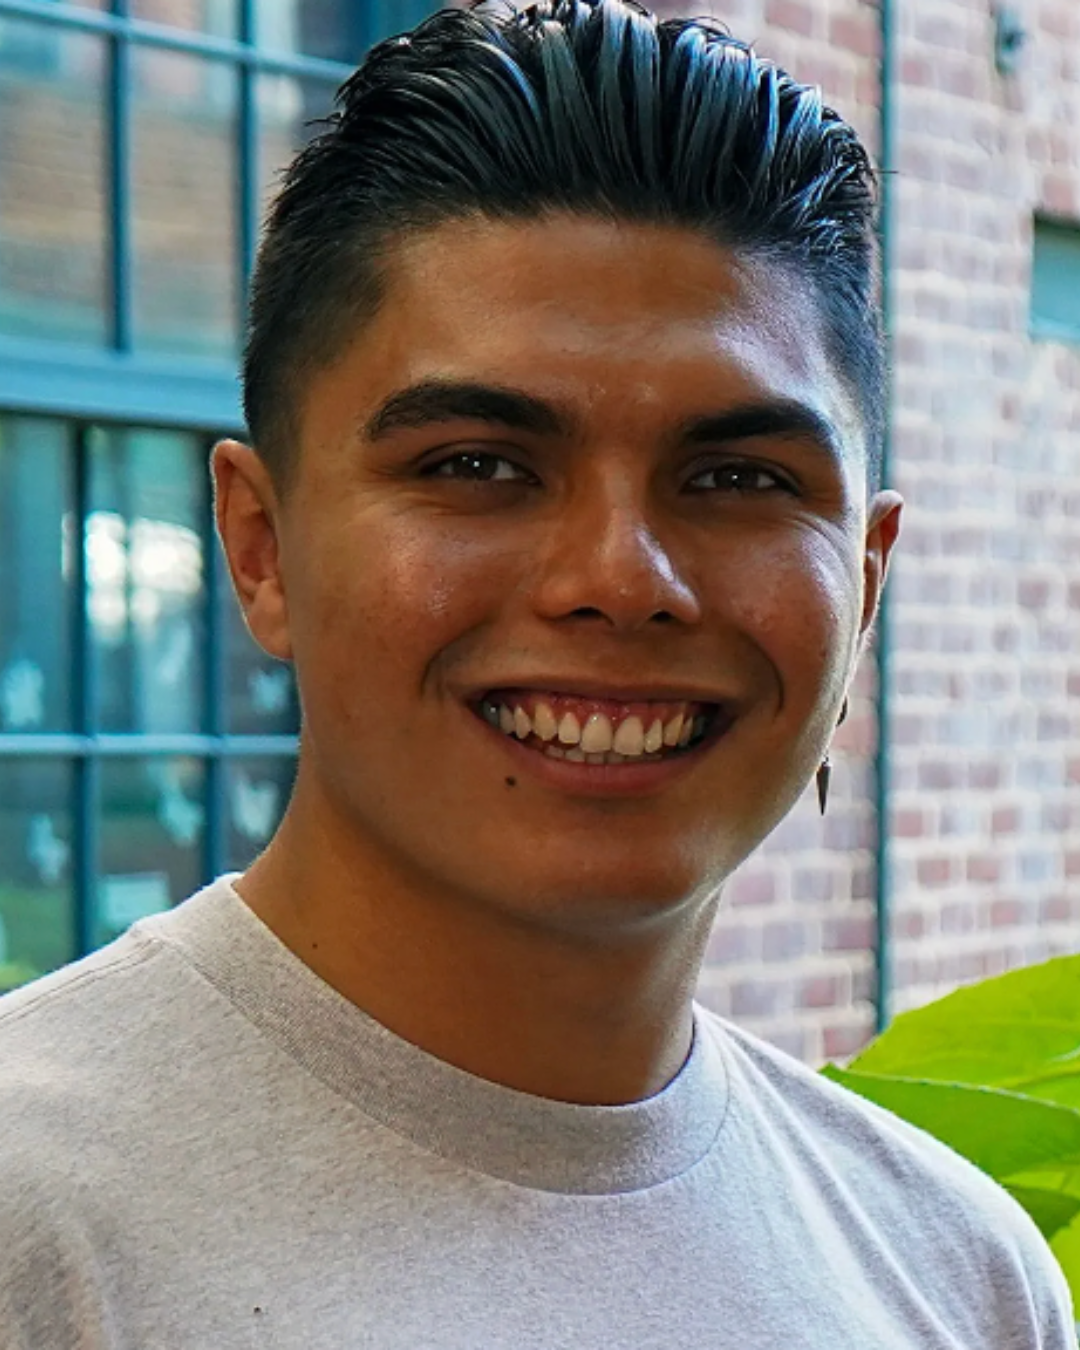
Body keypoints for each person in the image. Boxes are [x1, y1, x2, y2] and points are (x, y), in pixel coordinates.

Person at [0, 2, 1073, 1345]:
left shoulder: (961, 1276)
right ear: (261, 547)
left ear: (864, 582)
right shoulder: (35, 1214)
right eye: (477, 465)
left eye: (737, 478)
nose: (620, 578)